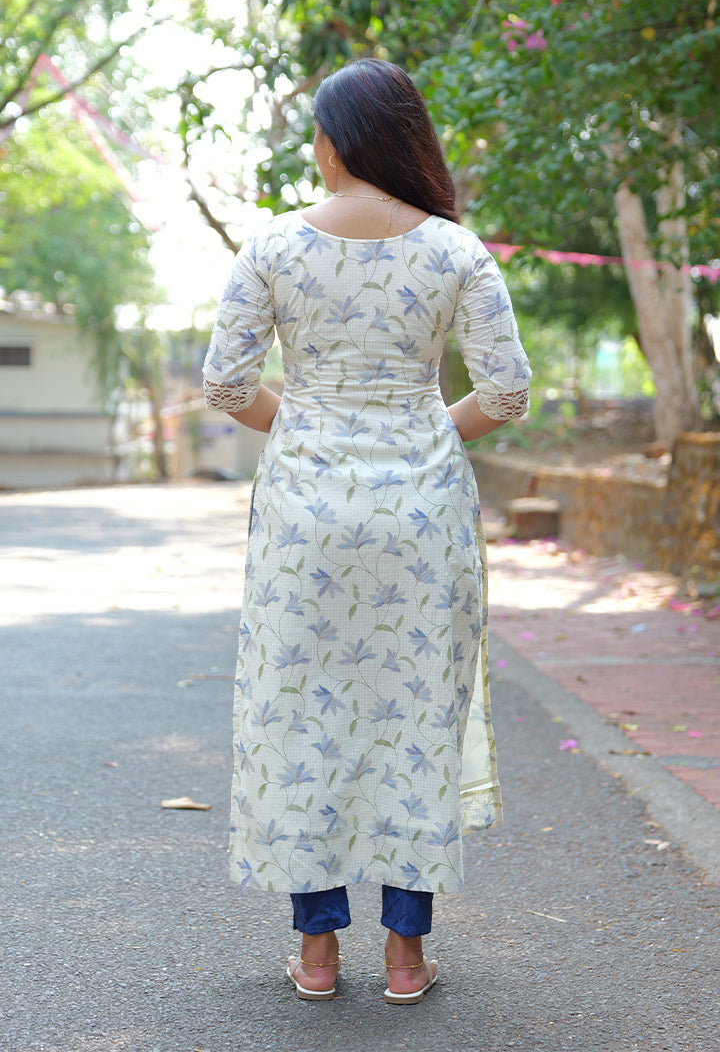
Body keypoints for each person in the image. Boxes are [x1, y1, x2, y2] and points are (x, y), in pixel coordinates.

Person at [202, 57, 530, 1005]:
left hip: (304, 516)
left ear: (333, 142)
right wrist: (419, 432)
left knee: (299, 712)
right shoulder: (457, 253)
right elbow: (507, 394)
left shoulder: (272, 247)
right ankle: (405, 956)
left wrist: (309, 425)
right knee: (413, 716)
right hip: (422, 515)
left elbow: (225, 386)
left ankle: (315, 953)